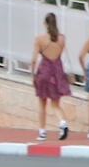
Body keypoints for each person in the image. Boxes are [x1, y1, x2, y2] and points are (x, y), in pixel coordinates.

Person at [30, 12, 72, 141]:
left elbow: (33, 59)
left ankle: (42, 131)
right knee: (56, 103)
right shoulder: (62, 39)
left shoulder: (40, 39)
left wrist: (33, 74)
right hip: (57, 71)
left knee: (42, 103)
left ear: (45, 23)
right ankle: (62, 122)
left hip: (44, 70)